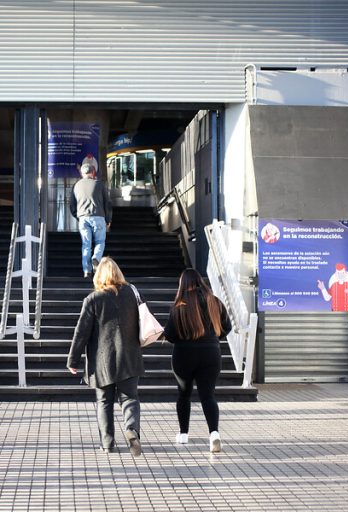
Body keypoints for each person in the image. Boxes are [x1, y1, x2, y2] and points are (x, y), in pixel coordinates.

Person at [67, 257, 144, 456]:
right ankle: (131, 429)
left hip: (102, 361)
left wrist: (73, 360)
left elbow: (81, 332)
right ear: (118, 273)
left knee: (104, 402)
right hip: (129, 357)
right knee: (130, 399)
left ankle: (107, 444)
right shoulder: (132, 294)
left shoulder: (93, 299)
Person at [163, 269, 232, 453]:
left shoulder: (179, 306)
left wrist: (183, 338)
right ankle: (214, 434)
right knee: (208, 396)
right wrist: (213, 339)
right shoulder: (214, 302)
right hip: (211, 353)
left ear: (182, 284)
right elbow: (227, 327)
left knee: (184, 394)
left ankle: (183, 434)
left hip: (184, 354)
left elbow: (169, 335)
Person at [69, 162, 112, 278]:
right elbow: (107, 203)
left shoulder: (76, 186)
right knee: (100, 242)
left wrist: (78, 216)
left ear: (82, 173)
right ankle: (96, 258)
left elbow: (72, 205)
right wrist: (108, 219)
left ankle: (87, 271)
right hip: (98, 217)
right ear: (93, 172)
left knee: (86, 245)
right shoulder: (99, 184)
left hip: (83, 218)